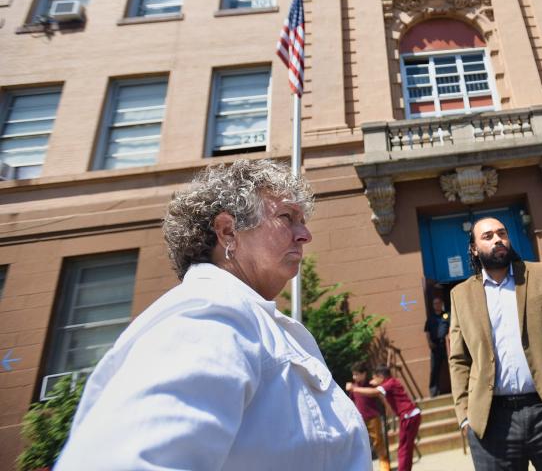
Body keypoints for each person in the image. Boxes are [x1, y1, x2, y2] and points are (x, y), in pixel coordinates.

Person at [55, 159, 370, 470]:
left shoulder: (242, 316)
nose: (305, 235)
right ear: (228, 232)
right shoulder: (209, 314)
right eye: (287, 217)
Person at [448, 216, 542, 470]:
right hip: (491, 422)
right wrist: (465, 417)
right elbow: (458, 359)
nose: (498, 239)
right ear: (474, 249)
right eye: (488, 236)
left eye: (502, 233)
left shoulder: (541, 275)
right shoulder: (460, 295)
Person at [348, 364, 421, 471]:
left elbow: (374, 392)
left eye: (374, 377)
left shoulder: (388, 384)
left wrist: (354, 389)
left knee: (403, 449)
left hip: (408, 416)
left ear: (381, 377)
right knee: (406, 447)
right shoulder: (393, 382)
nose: (372, 380)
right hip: (411, 415)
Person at [349, 361, 390, 471]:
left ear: (364, 374)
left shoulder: (371, 385)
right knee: (361, 443)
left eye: (356, 374)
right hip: (360, 420)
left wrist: (387, 410)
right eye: (353, 374)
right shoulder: (353, 388)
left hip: (373, 417)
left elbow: (381, 396)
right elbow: (352, 403)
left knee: (377, 440)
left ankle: (384, 461)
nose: (354, 377)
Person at [424, 296, 450, 397]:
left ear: (441, 304)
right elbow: (427, 331)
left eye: (439, 303)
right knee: (435, 369)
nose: (437, 305)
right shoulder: (430, 318)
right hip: (435, 346)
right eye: (435, 303)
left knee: (453, 367)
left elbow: (450, 327)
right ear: (433, 306)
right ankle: (434, 391)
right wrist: (429, 342)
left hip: (446, 345)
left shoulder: (446, 316)